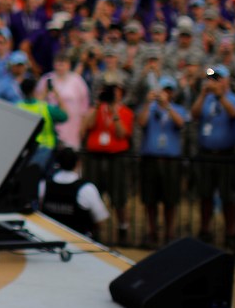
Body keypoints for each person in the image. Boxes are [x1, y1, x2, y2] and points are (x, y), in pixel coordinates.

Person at [191, 65, 235, 249]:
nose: (215, 82)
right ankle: (205, 230)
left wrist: (220, 95)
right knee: (205, 194)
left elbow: (234, 114)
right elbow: (194, 115)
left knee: (227, 196)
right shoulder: (205, 99)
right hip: (206, 153)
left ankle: (231, 232)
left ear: (227, 80)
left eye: (219, 78)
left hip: (226, 154)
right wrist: (202, 95)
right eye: (213, 78)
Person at [82, 73, 135, 245]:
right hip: (95, 157)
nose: (112, 93)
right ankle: (94, 231)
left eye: (115, 90)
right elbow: (87, 127)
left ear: (121, 92)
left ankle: (122, 229)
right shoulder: (95, 109)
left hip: (115, 158)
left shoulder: (125, 112)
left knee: (119, 196)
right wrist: (98, 107)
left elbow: (122, 133)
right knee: (94, 193)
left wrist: (114, 112)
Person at [137, 75, 187, 249]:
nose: (165, 94)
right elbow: (141, 123)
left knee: (170, 200)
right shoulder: (149, 108)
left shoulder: (178, 109)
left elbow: (181, 124)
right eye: (162, 90)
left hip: (170, 161)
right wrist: (147, 103)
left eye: (168, 91)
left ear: (172, 93)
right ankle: (151, 232)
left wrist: (167, 107)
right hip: (151, 159)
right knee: (150, 199)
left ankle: (169, 233)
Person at [39, 146, 110, 237]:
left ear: (58, 164)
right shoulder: (87, 189)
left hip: (50, 239)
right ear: (78, 163)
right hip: (78, 242)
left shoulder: (44, 185)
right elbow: (100, 220)